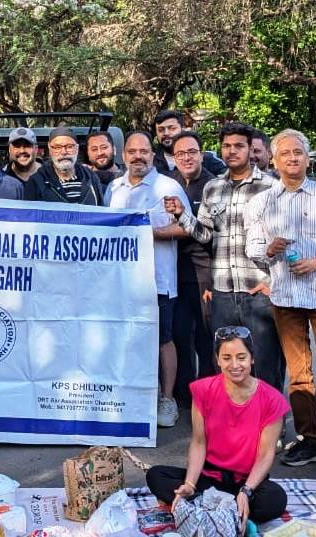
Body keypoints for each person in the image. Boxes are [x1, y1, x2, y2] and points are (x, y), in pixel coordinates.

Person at [245, 128, 316, 466]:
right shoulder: (263, 202)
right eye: (285, 154)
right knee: (298, 372)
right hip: (284, 295)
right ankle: (309, 437)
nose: (292, 158)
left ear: (308, 159)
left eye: (298, 152)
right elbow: (252, 248)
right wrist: (268, 250)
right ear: (274, 160)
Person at [166, 122, 281, 390]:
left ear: (251, 149)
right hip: (223, 292)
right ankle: (232, 425)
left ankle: (269, 427)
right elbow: (205, 235)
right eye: (227, 146)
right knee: (227, 363)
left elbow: (284, 237)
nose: (232, 151)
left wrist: (274, 283)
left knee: (264, 362)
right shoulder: (213, 188)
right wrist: (182, 215)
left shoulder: (271, 187)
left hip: (259, 290)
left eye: (239, 146)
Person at [145, 326, 289, 524]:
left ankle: (211, 510)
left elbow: (265, 454)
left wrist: (247, 491)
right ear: (218, 360)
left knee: (275, 499)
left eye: (241, 357)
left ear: (252, 359)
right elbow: (198, 442)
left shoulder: (272, 399)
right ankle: (225, 512)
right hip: (209, 480)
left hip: (246, 482)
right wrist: (190, 483)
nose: (235, 365)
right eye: (227, 358)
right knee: (156, 475)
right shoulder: (203, 390)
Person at [107, 130, 192, 427]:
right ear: (124, 155)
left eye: (143, 151)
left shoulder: (168, 186)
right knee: (126, 338)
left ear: (152, 155)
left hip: (158, 279)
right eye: (132, 152)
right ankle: (134, 396)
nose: (138, 156)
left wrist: (150, 233)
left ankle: (166, 399)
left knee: (162, 339)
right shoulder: (114, 188)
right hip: (120, 283)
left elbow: (187, 228)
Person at [165, 131, 218, 399]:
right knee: (180, 335)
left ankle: (208, 395)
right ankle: (185, 396)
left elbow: (210, 232)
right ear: (173, 157)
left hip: (205, 274)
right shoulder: (168, 183)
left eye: (191, 152)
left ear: (201, 153)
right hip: (174, 273)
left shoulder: (213, 185)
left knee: (206, 339)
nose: (186, 158)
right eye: (180, 153)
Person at [24, 126, 105, 204]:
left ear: (77, 148)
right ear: (50, 149)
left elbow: (101, 211)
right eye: (57, 147)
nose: (64, 152)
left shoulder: (90, 177)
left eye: (69, 147)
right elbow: (29, 215)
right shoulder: (37, 181)